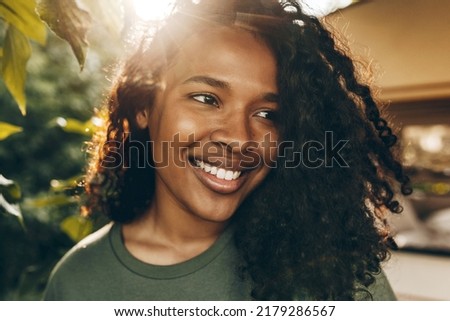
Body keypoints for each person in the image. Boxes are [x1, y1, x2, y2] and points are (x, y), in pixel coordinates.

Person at [44, 0, 411, 300]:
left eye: (268, 113)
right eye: (206, 98)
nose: (239, 138)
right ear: (144, 106)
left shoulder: (331, 268)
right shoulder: (78, 284)